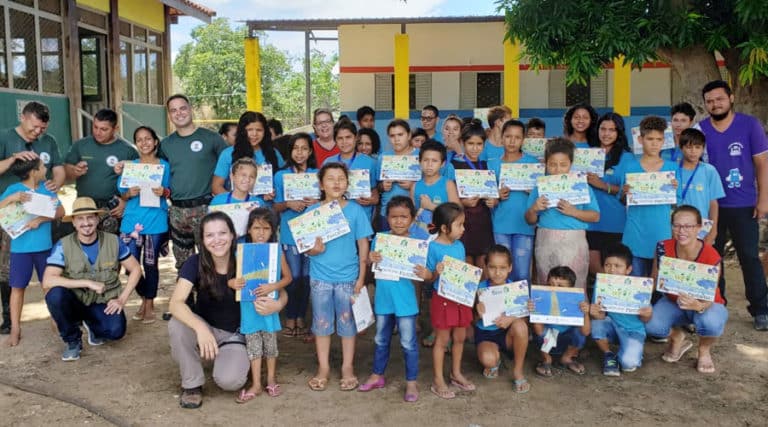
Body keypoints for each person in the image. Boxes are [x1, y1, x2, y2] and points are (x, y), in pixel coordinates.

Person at [168, 212, 287, 408]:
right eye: (209, 235)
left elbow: (280, 291)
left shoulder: (246, 257)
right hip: (206, 327)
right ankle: (192, 384)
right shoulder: (195, 262)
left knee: (230, 381)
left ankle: (230, 358)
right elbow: (175, 303)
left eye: (222, 233)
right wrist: (201, 328)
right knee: (177, 324)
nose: (217, 240)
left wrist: (279, 304)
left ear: (233, 235)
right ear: (202, 239)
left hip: (236, 334)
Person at [698, 80, 768, 331]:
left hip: (744, 204)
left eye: (719, 99)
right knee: (711, 258)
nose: (715, 104)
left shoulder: (750, 125)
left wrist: (763, 199)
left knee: (749, 257)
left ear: (731, 98)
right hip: (709, 206)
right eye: (709, 101)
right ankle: (717, 305)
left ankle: (761, 309)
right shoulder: (700, 129)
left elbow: (762, 164)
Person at [42, 197, 142, 361]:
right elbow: (48, 280)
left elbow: (136, 269)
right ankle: (72, 341)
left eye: (90, 217)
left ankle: (92, 326)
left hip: (102, 301)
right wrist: (86, 282)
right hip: (76, 300)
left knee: (116, 332)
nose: (86, 223)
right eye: (80, 219)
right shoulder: (63, 245)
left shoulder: (113, 241)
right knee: (55, 294)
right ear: (73, 222)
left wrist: (122, 299)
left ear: (97, 219)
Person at [303, 163, 373, 392]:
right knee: (321, 324)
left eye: (341, 178)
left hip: (348, 278)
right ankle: (323, 368)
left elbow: (363, 245)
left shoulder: (355, 211)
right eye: (330, 178)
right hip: (320, 277)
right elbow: (305, 248)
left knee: (347, 323)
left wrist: (362, 277)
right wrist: (315, 250)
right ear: (321, 184)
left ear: (347, 183)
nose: (336, 183)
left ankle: (347, 367)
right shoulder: (312, 211)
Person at [0, 101, 65, 334]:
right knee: (8, 272)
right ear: (24, 117)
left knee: (47, 274)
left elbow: (58, 169)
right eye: (35, 127)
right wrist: (14, 159)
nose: (38, 133)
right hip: (11, 218)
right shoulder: (5, 137)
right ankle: (10, 320)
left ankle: (58, 319)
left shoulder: (49, 142)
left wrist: (54, 183)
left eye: (42, 129)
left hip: (41, 225)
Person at [359, 196, 428, 402]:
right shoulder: (381, 239)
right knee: (380, 339)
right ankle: (377, 375)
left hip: (406, 302)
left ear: (412, 219)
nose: (398, 221)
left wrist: (425, 272)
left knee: (408, 342)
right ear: (387, 218)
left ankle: (411, 382)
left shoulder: (418, 243)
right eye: (394, 217)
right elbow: (373, 267)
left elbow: (427, 273)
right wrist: (372, 259)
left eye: (403, 217)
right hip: (383, 300)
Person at [645, 205, 729, 373]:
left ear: (699, 228)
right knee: (650, 325)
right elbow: (654, 279)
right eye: (677, 225)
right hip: (672, 302)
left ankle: (704, 350)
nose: (681, 230)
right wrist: (632, 296)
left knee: (710, 323)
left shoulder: (711, 256)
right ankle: (677, 337)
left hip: (705, 304)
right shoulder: (663, 247)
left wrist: (698, 306)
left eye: (688, 226)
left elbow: (710, 295)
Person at [228, 209, 291, 402]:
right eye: (256, 228)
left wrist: (274, 285)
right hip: (248, 308)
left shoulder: (276, 250)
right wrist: (232, 283)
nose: (261, 233)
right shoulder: (240, 250)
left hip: (269, 305)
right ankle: (256, 383)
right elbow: (230, 278)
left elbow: (288, 277)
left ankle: (271, 379)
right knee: (254, 347)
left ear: (273, 231)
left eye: (266, 228)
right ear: (248, 229)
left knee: (270, 346)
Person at [160, 94, 228, 270]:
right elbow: (155, 171)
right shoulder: (165, 144)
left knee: (211, 260)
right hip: (177, 211)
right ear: (169, 115)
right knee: (184, 265)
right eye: (173, 110)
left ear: (190, 109)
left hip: (206, 208)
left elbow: (229, 167)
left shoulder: (211, 139)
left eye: (182, 108)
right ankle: (187, 297)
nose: (179, 113)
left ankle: (211, 297)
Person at [526, 138, 600, 288]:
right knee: (547, 282)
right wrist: (534, 209)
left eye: (563, 164)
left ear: (571, 165)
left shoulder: (582, 187)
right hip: (546, 241)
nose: (558, 169)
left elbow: (595, 216)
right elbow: (529, 220)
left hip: (574, 242)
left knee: (575, 283)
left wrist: (574, 212)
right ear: (546, 164)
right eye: (552, 164)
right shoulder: (540, 187)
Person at [117, 126, 171, 324]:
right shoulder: (131, 167)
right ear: (136, 143)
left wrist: (163, 192)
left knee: (151, 265)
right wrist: (128, 193)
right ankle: (143, 297)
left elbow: (169, 191)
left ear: (155, 142)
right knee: (131, 266)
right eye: (139, 139)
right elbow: (122, 192)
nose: (144, 142)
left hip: (155, 222)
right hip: (131, 223)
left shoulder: (163, 166)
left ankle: (148, 303)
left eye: (148, 138)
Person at [423, 202, 474, 399]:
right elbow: (427, 276)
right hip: (442, 299)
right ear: (444, 228)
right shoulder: (433, 247)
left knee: (460, 337)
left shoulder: (459, 245)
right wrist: (436, 272)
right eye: (459, 225)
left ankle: (456, 373)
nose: (463, 229)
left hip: (460, 299)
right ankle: (438, 379)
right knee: (442, 340)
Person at [618, 116, 678, 278]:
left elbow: (676, 204)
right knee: (636, 285)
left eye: (658, 139)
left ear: (663, 141)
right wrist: (625, 192)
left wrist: (674, 189)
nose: (654, 143)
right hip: (634, 235)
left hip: (662, 234)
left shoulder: (672, 169)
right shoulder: (630, 167)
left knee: (660, 289)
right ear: (640, 139)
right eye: (650, 138)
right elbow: (623, 201)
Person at [64, 108, 138, 234]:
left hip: (113, 207)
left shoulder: (127, 150)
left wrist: (125, 202)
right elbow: (66, 171)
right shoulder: (81, 145)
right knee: (85, 246)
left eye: (104, 129)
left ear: (115, 129)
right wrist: (74, 170)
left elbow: (138, 183)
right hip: (84, 205)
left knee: (110, 247)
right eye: (95, 127)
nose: (98, 132)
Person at [273, 133, 318, 338]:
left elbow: (327, 203)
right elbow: (275, 206)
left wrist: (315, 202)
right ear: (290, 152)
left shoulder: (317, 175)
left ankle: (301, 316)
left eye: (304, 148)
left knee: (307, 278)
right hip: (290, 235)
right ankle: (290, 316)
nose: (299, 153)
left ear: (310, 151)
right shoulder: (281, 176)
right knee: (294, 277)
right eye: (295, 148)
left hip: (312, 234)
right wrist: (289, 204)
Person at [589, 244, 652, 376]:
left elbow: (646, 319)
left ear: (628, 269)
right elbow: (600, 316)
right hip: (611, 325)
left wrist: (647, 314)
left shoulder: (639, 287)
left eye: (617, 266)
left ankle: (630, 351)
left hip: (633, 330)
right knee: (596, 324)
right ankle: (608, 354)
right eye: (607, 265)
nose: (612, 270)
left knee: (628, 364)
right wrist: (595, 313)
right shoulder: (601, 284)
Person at [474, 245, 530, 393]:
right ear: (485, 266)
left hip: (508, 335)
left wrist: (511, 318)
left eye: (502, 268)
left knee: (520, 327)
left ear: (510, 268)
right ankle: (496, 360)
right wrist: (476, 310)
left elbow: (523, 322)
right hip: (486, 334)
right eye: (492, 267)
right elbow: (471, 318)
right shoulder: (480, 287)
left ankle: (518, 371)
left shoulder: (515, 289)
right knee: (488, 359)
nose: (497, 273)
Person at [487, 120, 538, 282]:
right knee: (501, 273)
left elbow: (543, 197)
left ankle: (522, 307)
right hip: (500, 225)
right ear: (501, 137)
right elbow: (489, 200)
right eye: (508, 136)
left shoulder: (532, 164)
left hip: (524, 225)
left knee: (522, 273)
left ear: (523, 140)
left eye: (517, 137)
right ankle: (502, 307)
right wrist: (496, 196)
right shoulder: (493, 164)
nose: (512, 141)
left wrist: (532, 191)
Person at [585, 113, 633, 277]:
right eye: (603, 129)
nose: (606, 133)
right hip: (590, 219)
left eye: (612, 130)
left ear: (619, 133)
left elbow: (628, 191)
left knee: (615, 268)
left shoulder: (627, 158)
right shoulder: (586, 154)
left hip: (615, 221)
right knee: (593, 267)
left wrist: (603, 186)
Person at [450, 120, 495, 273]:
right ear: (462, 142)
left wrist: (492, 201)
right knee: (466, 265)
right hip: (463, 221)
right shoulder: (454, 165)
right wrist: (463, 203)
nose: (475, 148)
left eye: (479, 144)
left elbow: (492, 193)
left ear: (484, 144)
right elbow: (450, 195)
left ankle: (480, 297)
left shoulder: (486, 166)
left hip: (483, 221)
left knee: (482, 265)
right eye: (470, 143)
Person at [531, 266, 591, 377]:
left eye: (560, 286)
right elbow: (539, 331)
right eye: (550, 285)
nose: (554, 289)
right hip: (546, 342)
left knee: (580, 333)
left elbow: (586, 332)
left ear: (571, 289)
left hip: (567, 342)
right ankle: (546, 359)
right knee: (542, 332)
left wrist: (586, 313)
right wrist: (535, 310)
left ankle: (567, 357)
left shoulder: (578, 303)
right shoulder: (541, 300)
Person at [212, 111, 284, 196]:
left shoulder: (273, 153)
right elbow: (216, 187)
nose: (254, 134)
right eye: (249, 130)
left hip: (267, 207)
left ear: (265, 132)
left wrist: (275, 193)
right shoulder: (228, 154)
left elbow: (283, 183)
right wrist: (236, 200)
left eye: (259, 130)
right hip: (239, 207)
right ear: (242, 131)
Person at [323, 119, 380, 222]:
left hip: (362, 218)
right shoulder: (328, 162)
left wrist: (370, 200)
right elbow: (322, 194)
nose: (344, 142)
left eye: (348, 137)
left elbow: (375, 195)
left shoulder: (370, 162)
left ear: (356, 137)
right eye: (340, 138)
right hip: (336, 219)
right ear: (335, 140)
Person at [676, 128, 724, 246]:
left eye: (698, 147)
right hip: (676, 227)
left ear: (703, 149)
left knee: (699, 262)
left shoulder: (709, 171)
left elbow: (713, 203)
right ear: (681, 148)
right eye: (689, 147)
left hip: (701, 227)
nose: (693, 151)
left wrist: (713, 229)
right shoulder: (672, 170)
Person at [411, 141, 460, 235]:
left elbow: (457, 213)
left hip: (444, 236)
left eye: (434, 161)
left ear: (442, 164)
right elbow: (412, 215)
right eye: (425, 160)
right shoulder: (415, 186)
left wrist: (431, 206)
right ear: (420, 161)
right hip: (421, 237)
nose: (429, 164)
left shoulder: (448, 184)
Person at [378, 119, 415, 231]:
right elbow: (377, 187)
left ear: (409, 135)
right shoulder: (383, 157)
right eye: (392, 136)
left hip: (413, 213)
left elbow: (430, 182)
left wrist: (413, 185)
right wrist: (382, 186)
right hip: (387, 213)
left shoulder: (421, 155)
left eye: (400, 134)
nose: (396, 139)